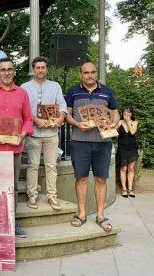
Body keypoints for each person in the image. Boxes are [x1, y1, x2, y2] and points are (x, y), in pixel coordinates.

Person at [0, 57, 33, 238]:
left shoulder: (22, 93)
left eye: (10, 69)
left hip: (13, 148)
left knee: (12, 187)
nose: (6, 73)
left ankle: (11, 221)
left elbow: (28, 119)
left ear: (14, 71)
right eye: (3, 70)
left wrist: (22, 135)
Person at [65, 62, 119, 232]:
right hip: (79, 141)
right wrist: (76, 123)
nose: (89, 75)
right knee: (80, 178)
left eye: (93, 72)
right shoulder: (73, 91)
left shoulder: (106, 91)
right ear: (80, 74)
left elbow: (115, 113)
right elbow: (66, 114)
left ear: (96, 73)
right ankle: (81, 214)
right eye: (86, 72)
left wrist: (114, 124)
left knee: (101, 179)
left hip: (103, 142)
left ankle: (100, 215)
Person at [21, 56, 67, 210]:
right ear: (33, 69)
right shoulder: (24, 87)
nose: (40, 70)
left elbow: (62, 106)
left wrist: (60, 119)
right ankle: (32, 195)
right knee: (32, 165)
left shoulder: (55, 86)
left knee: (51, 166)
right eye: (37, 67)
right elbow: (22, 109)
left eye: (43, 67)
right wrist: (35, 120)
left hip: (52, 133)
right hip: (33, 133)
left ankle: (52, 197)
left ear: (47, 69)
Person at [116, 106, 139, 198]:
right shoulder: (119, 122)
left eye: (129, 112)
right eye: (125, 112)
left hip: (132, 148)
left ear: (131, 114)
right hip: (122, 148)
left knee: (131, 168)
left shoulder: (134, 122)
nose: (127, 113)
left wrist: (128, 122)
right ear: (123, 113)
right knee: (123, 168)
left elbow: (132, 132)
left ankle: (130, 189)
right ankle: (124, 189)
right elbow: (113, 131)